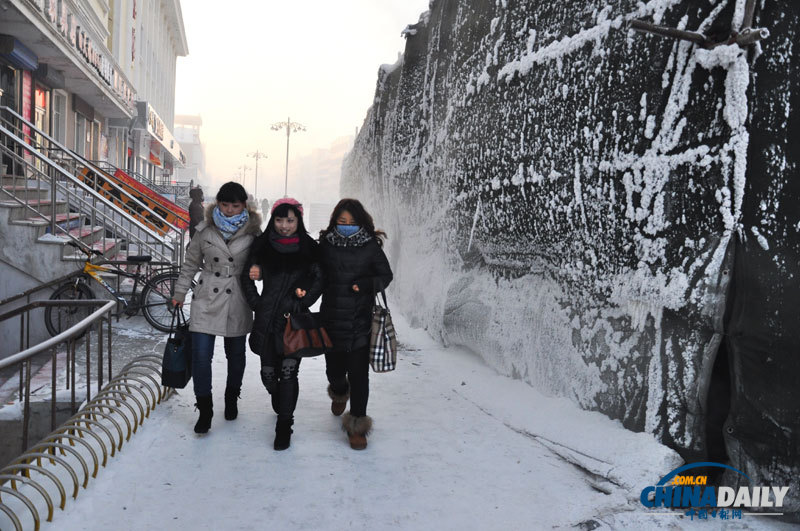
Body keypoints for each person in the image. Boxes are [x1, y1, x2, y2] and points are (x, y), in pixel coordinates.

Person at [172, 181, 262, 434]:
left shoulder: (254, 234)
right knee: (201, 356)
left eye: (235, 205)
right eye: (225, 204)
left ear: (244, 205)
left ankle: (232, 397)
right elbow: (190, 263)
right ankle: (205, 409)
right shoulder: (204, 230)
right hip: (207, 296)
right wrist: (179, 293)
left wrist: (259, 272)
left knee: (236, 356)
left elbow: (263, 264)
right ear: (217, 204)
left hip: (238, 297)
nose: (230, 210)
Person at [242, 198, 322, 450]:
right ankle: (278, 397)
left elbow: (319, 279)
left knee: (288, 371)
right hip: (266, 319)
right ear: (272, 220)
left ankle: (284, 426)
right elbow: (248, 276)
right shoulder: (262, 245)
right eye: (279, 220)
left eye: (290, 220)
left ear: (298, 220)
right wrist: (257, 303)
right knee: (268, 375)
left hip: (292, 321)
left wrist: (303, 300)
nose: (284, 225)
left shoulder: (309, 247)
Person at [318, 198, 393, 450]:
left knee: (360, 376)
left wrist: (367, 285)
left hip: (360, 322)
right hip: (331, 320)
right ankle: (340, 390)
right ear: (334, 222)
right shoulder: (325, 245)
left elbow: (386, 275)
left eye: (352, 222)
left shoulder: (370, 246)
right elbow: (315, 276)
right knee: (335, 372)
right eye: (342, 221)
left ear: (361, 222)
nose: (347, 226)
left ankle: (357, 424)